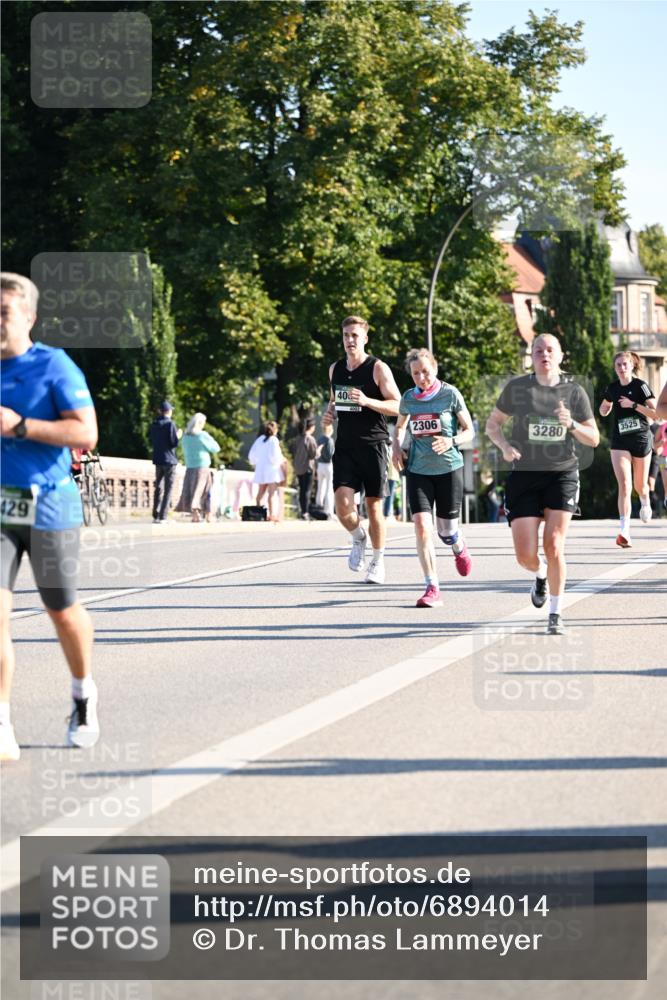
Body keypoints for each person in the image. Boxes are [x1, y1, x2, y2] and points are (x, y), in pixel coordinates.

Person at [1, 272, 100, 761]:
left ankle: (83, 694)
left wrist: (19, 426)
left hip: (49, 503)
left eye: (4, 313)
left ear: (29, 318)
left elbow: (86, 434)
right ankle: (0, 722)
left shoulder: (53, 366)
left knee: (61, 611)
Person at [485, 333, 599, 635]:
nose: (544, 354)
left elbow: (594, 438)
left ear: (560, 356)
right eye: (538, 350)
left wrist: (571, 424)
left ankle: (556, 613)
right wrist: (506, 447)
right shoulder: (518, 388)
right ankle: (539, 576)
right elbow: (492, 424)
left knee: (553, 544)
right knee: (525, 555)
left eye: (550, 350)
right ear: (531, 356)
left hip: (562, 474)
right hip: (524, 475)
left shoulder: (574, 392)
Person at [392, 348, 474, 607]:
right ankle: (432, 587)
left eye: (425, 372)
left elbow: (469, 430)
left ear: (435, 368)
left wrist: (451, 441)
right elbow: (400, 426)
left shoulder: (450, 394)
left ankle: (458, 546)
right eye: (416, 374)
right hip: (418, 470)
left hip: (449, 469)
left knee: (446, 531)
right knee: (421, 527)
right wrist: (396, 446)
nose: (421, 378)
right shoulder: (408, 398)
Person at [323, 315, 400, 584]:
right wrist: (328, 414)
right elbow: (334, 401)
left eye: (355, 335)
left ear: (365, 338)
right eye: (346, 335)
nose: (350, 340)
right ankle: (358, 537)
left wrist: (368, 401)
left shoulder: (378, 368)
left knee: (374, 507)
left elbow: (398, 405)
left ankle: (378, 562)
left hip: (374, 445)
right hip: (345, 446)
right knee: (342, 507)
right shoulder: (335, 369)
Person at [599, 352, 657, 546]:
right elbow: (604, 407)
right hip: (620, 441)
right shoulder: (612, 388)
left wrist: (633, 405)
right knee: (624, 484)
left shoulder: (640, 386)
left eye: (625, 364)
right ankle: (624, 532)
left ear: (631, 366)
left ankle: (645, 499)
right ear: (615, 368)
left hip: (641, 438)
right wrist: (605, 410)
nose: (622, 368)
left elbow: (656, 414)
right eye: (618, 365)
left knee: (640, 486)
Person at [175, 413, 220, 522]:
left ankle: (195, 515)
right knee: (205, 491)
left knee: (192, 491)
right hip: (202, 467)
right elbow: (216, 448)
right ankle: (208, 516)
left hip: (190, 467)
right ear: (200, 423)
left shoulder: (186, 437)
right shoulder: (202, 435)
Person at [148, 401, 180, 524]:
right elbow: (174, 443)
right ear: (169, 411)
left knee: (158, 487)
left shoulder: (154, 424)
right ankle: (163, 516)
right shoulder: (170, 424)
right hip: (169, 460)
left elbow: (152, 439)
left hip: (158, 459)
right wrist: (178, 435)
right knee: (168, 488)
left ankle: (155, 514)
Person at [248, 420, 285, 521]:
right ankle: (272, 515)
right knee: (271, 494)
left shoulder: (260, 439)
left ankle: (259, 513)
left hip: (261, 469)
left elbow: (252, 455)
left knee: (260, 493)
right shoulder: (274, 440)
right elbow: (275, 457)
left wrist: (256, 463)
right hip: (271, 470)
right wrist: (282, 461)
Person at [291, 418, 318, 519]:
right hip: (307, 468)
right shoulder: (310, 439)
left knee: (302, 490)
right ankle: (306, 512)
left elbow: (293, 452)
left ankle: (302, 511)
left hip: (298, 468)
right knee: (307, 490)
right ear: (311, 427)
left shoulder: (298, 438)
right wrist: (318, 451)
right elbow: (313, 454)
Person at [315, 418, 335, 517]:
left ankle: (319, 506)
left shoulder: (319, 438)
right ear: (331, 430)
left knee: (320, 487)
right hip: (328, 465)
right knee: (329, 488)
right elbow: (330, 455)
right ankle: (329, 510)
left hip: (320, 465)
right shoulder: (330, 441)